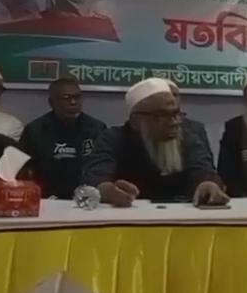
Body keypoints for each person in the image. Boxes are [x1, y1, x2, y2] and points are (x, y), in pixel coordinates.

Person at [81, 78, 227, 206]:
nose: (174, 122)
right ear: (136, 121)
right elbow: (93, 179)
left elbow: (203, 170)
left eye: (176, 114)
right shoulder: (112, 139)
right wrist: (107, 190)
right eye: (163, 115)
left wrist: (208, 184)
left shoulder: (187, 138)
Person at [18, 77, 107, 199]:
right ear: (51, 102)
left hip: (86, 198)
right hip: (47, 198)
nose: (73, 102)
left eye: (77, 97)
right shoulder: (35, 130)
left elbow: (103, 167)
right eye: (66, 98)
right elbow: (21, 169)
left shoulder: (97, 128)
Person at [164, 79, 214, 159]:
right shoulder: (149, 129)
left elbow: (207, 161)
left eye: (174, 95)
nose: (172, 99)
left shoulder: (196, 129)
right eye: (167, 95)